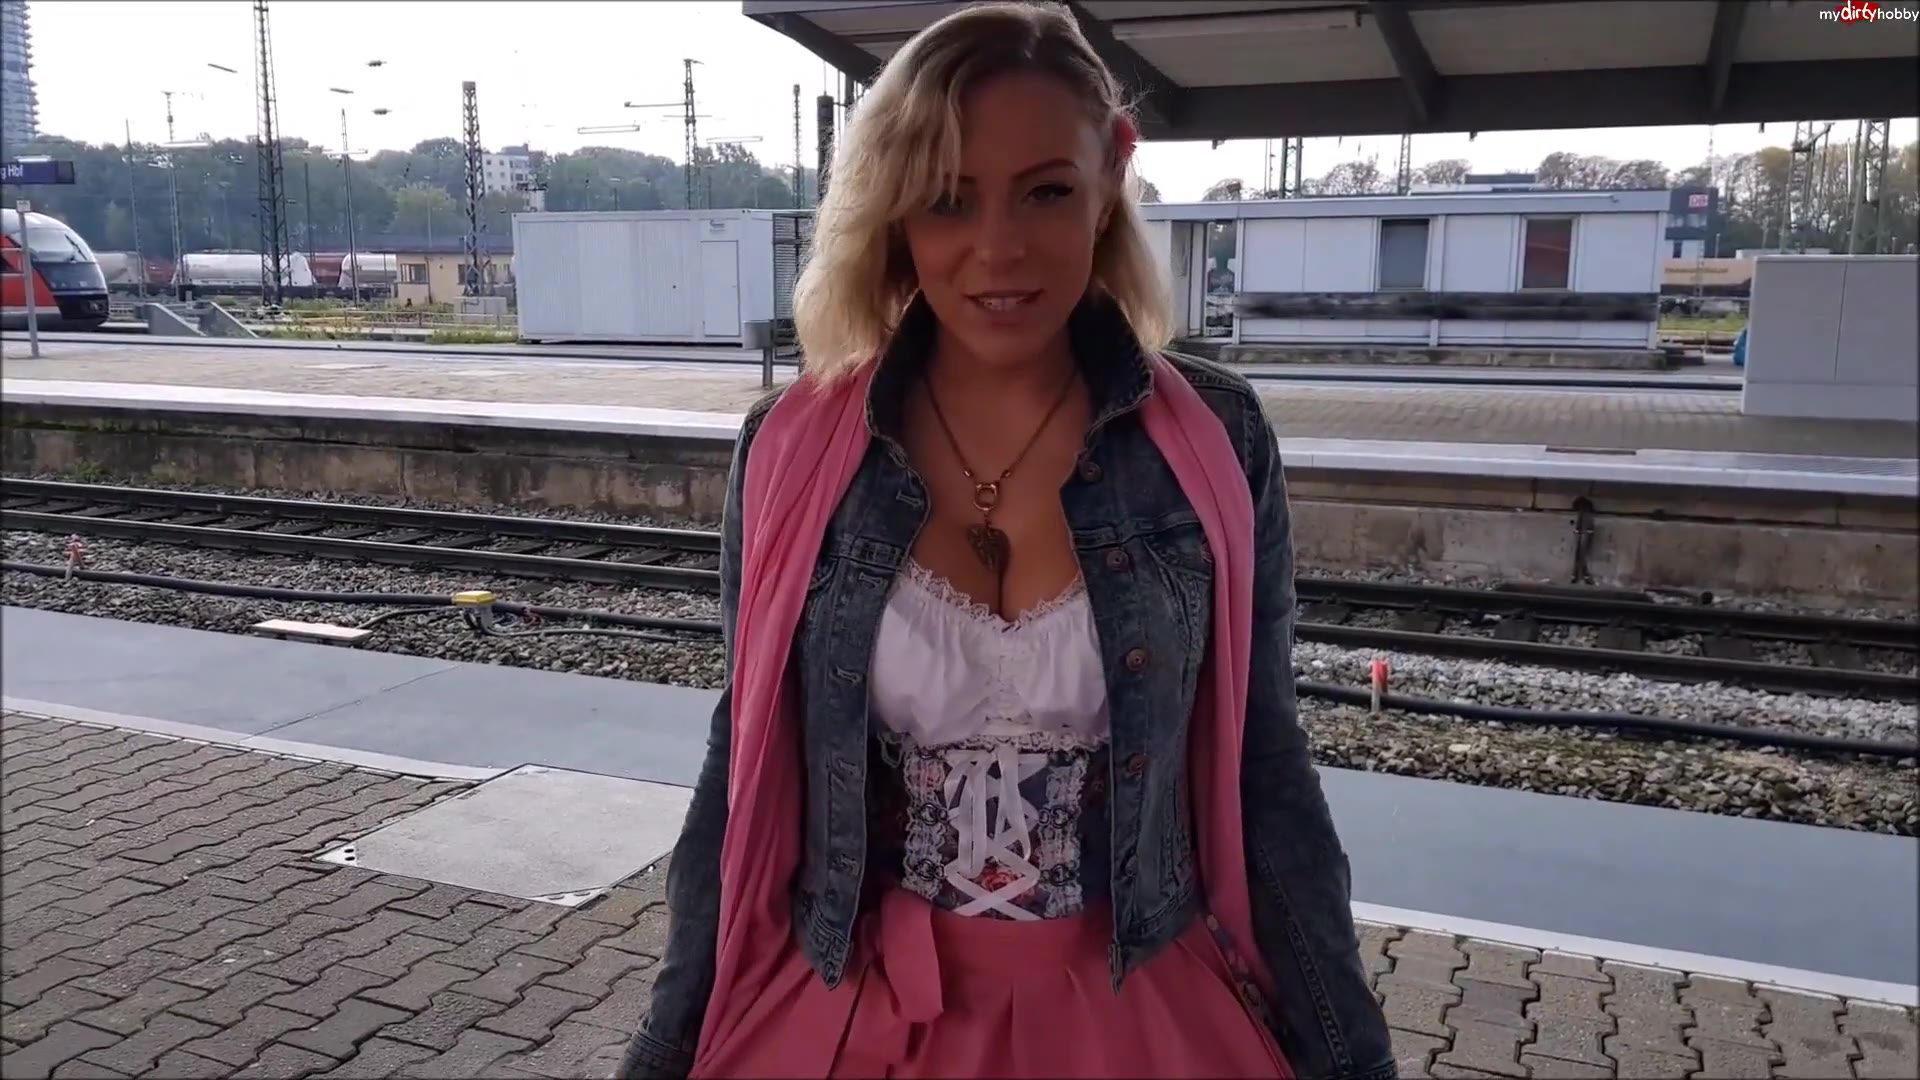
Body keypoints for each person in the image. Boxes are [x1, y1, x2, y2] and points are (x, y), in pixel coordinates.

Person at [617, 3, 1393, 1078]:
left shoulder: (1217, 440)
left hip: (1138, 1016)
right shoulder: (791, 450)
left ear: (1110, 177)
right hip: (861, 1015)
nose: (999, 249)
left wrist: (1350, 1057)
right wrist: (665, 1048)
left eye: (1046, 191)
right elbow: (741, 767)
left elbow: (1267, 771)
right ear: (895, 211)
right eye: (948, 199)